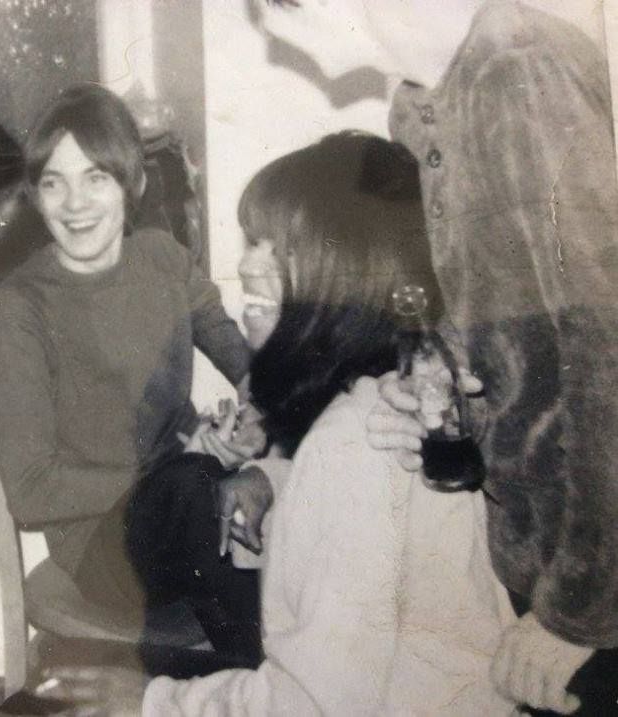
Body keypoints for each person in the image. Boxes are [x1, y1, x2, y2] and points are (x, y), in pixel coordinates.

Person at [43, 132, 516, 715]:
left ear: (341, 272)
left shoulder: (356, 439)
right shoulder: (387, 399)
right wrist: (273, 478)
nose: (245, 265)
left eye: (273, 248)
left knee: (64, 691)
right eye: (251, 243)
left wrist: (153, 703)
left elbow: (312, 705)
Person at [256, 2, 618, 714]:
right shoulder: (423, 110)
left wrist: (580, 613)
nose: (279, 37)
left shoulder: (521, 74)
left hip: (590, 584)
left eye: (278, 13)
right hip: (538, 565)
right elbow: (515, 322)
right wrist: (438, 386)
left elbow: (606, 350)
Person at [0, 83, 270, 664]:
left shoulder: (164, 259)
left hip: (190, 505)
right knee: (200, 493)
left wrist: (253, 419)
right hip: (100, 546)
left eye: (95, 178)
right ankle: (257, 678)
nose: (74, 203)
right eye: (53, 183)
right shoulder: (18, 310)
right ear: (35, 195)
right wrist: (180, 468)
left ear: (131, 184)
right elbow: (31, 492)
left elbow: (240, 358)